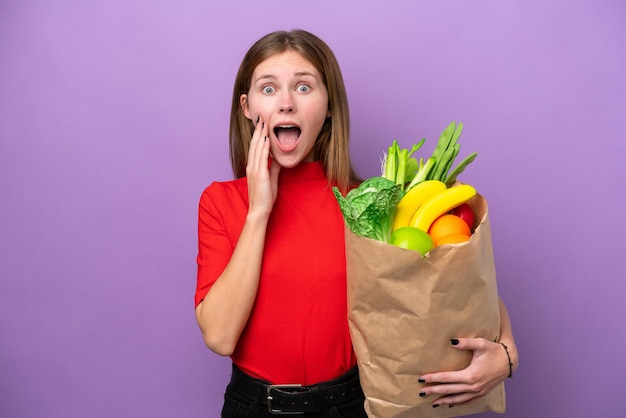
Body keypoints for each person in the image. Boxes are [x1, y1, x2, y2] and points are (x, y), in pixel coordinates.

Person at [194, 29, 518, 417]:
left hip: (350, 405)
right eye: (268, 89)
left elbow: (457, 286)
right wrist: (259, 211)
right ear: (246, 108)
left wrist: (507, 354)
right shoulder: (220, 202)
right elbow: (220, 336)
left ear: (329, 105)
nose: (285, 104)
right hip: (254, 407)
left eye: (303, 87)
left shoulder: (369, 205)